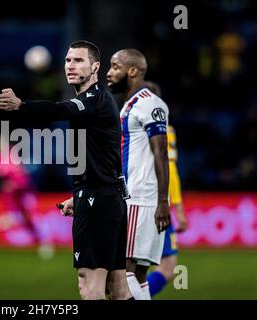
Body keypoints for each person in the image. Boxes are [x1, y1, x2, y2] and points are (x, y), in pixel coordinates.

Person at [0, 40, 132, 300]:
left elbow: (59, 109)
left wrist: (21, 105)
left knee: (89, 286)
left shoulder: (93, 99)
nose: (71, 65)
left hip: (99, 200)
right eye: (68, 60)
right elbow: (100, 158)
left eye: (79, 60)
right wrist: (79, 194)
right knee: (118, 289)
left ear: (95, 67)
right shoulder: (95, 103)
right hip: (106, 197)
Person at [106, 49, 171, 300]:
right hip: (141, 198)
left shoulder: (148, 103)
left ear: (132, 71)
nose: (109, 73)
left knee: (122, 273)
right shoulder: (131, 105)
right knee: (139, 275)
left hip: (140, 197)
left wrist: (163, 201)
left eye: (114, 66)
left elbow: (160, 153)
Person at [144, 81, 188, 297]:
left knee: (134, 267)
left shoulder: (124, 125)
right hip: (154, 205)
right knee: (167, 266)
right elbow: (169, 169)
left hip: (131, 203)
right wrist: (177, 208)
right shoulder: (163, 129)